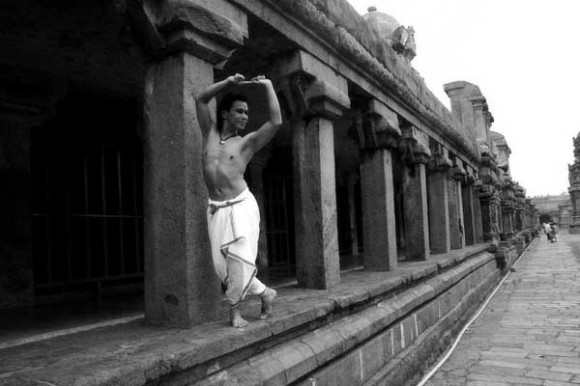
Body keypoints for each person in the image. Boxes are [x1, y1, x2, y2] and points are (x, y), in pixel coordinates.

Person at [195, 73, 282, 328]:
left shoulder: (246, 143)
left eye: (246, 112)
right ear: (225, 114)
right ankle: (266, 293)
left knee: (240, 260)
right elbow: (200, 99)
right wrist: (228, 83)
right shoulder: (209, 133)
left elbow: (276, 121)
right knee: (222, 267)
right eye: (240, 111)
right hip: (216, 209)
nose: (245, 116)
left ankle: (234, 312)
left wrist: (268, 85)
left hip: (241, 206)